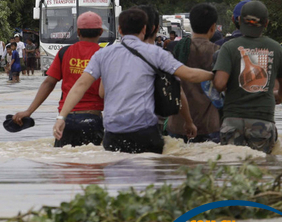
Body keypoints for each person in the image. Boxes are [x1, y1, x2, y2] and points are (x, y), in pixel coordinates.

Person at [54, 8, 212, 154]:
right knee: (148, 181)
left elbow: (80, 86)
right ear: (144, 29)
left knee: (116, 179)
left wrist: (62, 117)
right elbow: (190, 75)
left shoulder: (103, 55)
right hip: (145, 132)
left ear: (120, 30)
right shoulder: (156, 53)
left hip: (113, 133)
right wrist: (214, 75)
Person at [13, 12, 105, 147]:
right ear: (101, 32)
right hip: (92, 118)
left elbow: (48, 83)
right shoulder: (105, 55)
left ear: (78, 32)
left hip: (66, 119)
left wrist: (29, 111)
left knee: (64, 164)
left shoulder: (64, 52)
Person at [212, 0, 282, 154]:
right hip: (262, 121)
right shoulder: (275, 48)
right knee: (260, 172)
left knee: (233, 169)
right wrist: (279, 96)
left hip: (232, 120)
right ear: (266, 23)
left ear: (239, 21)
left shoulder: (228, 48)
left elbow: (220, 84)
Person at [166, 3, 221, 143]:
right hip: (209, 124)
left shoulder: (176, 48)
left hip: (178, 125)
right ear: (213, 27)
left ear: (190, 24)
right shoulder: (219, 52)